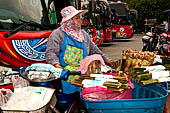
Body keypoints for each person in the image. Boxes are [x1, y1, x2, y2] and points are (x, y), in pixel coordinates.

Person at [46, 6, 114, 112]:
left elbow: (94, 50)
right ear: (69, 21)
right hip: (67, 74)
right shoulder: (57, 35)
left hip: (84, 73)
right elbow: (51, 55)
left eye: (80, 17)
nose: (80, 20)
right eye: (77, 18)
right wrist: (58, 68)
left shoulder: (84, 35)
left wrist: (107, 60)